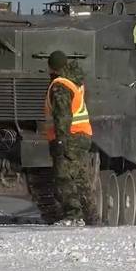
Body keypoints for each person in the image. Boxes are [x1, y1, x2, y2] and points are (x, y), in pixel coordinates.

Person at [45, 51, 93, 226]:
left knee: (63, 176)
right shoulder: (74, 80)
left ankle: (73, 216)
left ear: (52, 66)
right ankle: (88, 215)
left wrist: (60, 140)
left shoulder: (60, 85)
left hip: (70, 137)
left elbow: (62, 116)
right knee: (79, 178)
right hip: (82, 134)